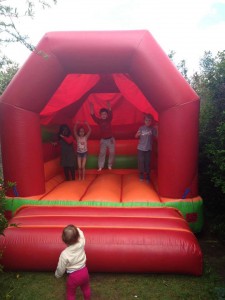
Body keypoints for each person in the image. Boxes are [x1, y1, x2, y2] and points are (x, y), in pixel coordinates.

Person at [55, 225, 91, 300]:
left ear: (64, 240)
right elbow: (81, 233)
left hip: (73, 276)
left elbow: (61, 267)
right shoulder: (81, 242)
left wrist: (58, 275)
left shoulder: (65, 254)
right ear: (78, 237)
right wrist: (76, 229)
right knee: (86, 288)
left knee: (70, 293)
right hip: (84, 272)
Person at [89, 101, 115, 171]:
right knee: (102, 153)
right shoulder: (99, 121)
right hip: (103, 140)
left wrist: (109, 106)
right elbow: (93, 116)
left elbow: (111, 113)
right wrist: (91, 107)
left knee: (112, 152)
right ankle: (100, 166)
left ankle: (109, 165)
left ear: (107, 115)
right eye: (102, 114)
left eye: (105, 114)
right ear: (100, 115)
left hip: (110, 139)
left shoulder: (109, 119)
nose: (104, 115)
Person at [135, 114, 157, 182]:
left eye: (149, 120)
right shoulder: (141, 128)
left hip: (148, 149)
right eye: (146, 120)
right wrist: (137, 134)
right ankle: (141, 175)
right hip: (140, 148)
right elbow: (136, 136)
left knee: (147, 162)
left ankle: (147, 175)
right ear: (144, 121)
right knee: (141, 162)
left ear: (151, 121)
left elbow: (156, 136)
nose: (148, 122)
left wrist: (157, 128)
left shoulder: (152, 129)